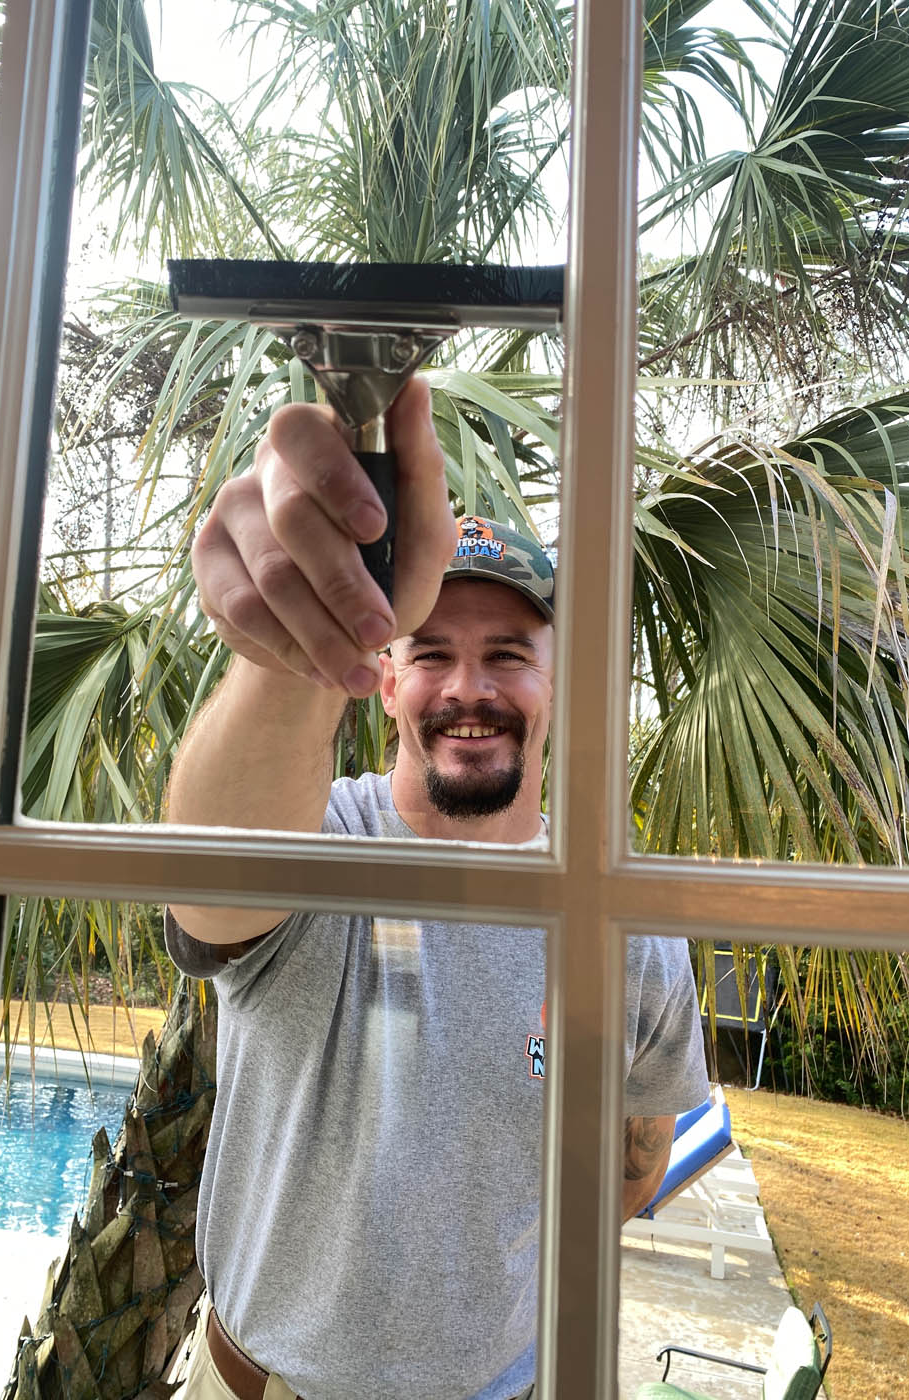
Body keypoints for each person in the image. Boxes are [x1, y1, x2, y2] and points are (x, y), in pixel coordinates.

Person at [163, 378, 709, 1400]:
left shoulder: (620, 916)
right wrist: (300, 644)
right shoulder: (327, 843)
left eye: (508, 652)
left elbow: (636, 1161)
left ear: (561, 684)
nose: (469, 687)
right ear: (383, 678)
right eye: (431, 652)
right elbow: (213, 878)